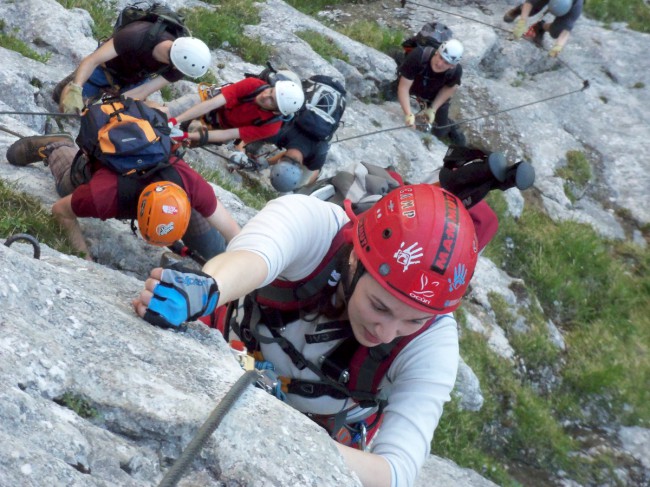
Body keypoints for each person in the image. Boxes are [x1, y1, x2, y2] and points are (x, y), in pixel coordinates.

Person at [133, 183, 479, 486]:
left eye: (413, 321)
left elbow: (395, 472)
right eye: (380, 306)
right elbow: (255, 254)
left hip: (318, 433)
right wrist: (209, 288)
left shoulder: (434, 344)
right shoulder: (315, 226)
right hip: (228, 354)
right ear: (356, 261)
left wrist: (286, 433)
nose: (387, 333)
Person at [6, 133, 240, 262]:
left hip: (165, 181)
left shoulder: (193, 187)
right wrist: (84, 259)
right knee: (67, 186)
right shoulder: (105, 196)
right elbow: (61, 211)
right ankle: (58, 146)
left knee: (214, 253)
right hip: (103, 164)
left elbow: (236, 235)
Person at [56, 19, 211, 113]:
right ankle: (76, 84)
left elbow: (144, 90)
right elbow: (93, 60)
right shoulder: (136, 35)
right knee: (66, 104)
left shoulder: (180, 68)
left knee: (118, 114)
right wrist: (76, 88)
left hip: (134, 80)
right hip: (106, 68)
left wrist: (108, 108)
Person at [168, 76, 305, 147]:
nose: (264, 96)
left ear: (276, 112)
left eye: (271, 100)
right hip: (213, 106)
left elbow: (228, 134)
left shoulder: (270, 127)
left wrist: (186, 135)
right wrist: (175, 120)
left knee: (189, 137)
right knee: (171, 111)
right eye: (270, 91)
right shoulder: (253, 85)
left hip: (222, 127)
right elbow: (211, 104)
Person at [397, 39, 467, 147]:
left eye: (446, 63)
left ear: (452, 66)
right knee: (389, 95)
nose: (439, 64)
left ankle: (451, 126)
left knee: (440, 131)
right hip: (413, 85)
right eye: (440, 57)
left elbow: (450, 89)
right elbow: (403, 88)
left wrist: (433, 109)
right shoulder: (418, 56)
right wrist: (408, 114)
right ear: (437, 52)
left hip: (433, 93)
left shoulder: (455, 71)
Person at [505, 0, 583, 57]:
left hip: (566, 8)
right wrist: (521, 23)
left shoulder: (576, 6)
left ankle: (540, 27)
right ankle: (518, 10)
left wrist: (558, 47)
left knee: (557, 31)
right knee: (532, 10)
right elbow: (530, 2)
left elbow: (566, 28)